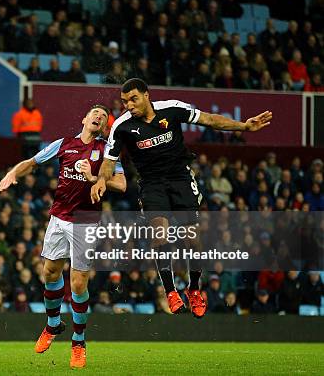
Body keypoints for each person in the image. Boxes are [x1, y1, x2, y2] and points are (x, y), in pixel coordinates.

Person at [92, 78, 273, 318]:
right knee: (160, 233)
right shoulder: (122, 126)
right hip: (151, 184)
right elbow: (108, 162)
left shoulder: (173, 108)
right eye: (125, 101)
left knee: (193, 239)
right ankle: (170, 291)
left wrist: (243, 126)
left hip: (180, 178)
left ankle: (194, 289)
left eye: (134, 99)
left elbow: (209, 119)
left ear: (147, 95)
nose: (129, 105)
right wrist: (102, 180)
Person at [0, 105, 126, 369]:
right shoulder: (64, 145)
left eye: (103, 116)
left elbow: (121, 184)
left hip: (86, 220)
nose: (98, 117)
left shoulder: (107, 152)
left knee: (78, 284)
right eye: (94, 113)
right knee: (51, 272)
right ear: (84, 118)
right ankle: (53, 324)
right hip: (59, 216)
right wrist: (12, 173)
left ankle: (78, 342)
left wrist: (94, 178)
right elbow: (32, 162)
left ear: (104, 126)